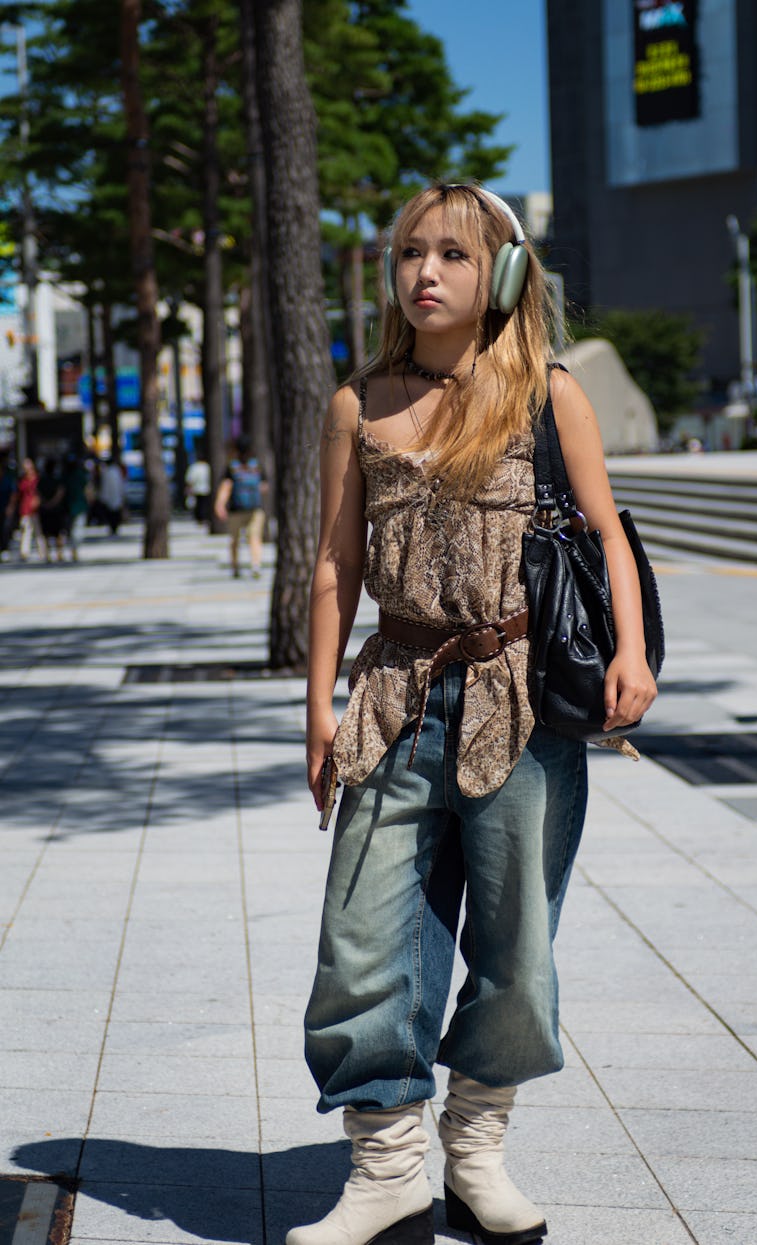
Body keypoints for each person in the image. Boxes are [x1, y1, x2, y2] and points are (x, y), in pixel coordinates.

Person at [294, 183, 657, 1245]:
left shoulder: (546, 394)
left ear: (500, 271)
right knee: (365, 938)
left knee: (516, 945)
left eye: (453, 254)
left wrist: (630, 652)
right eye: (411, 252)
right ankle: (386, 1169)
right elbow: (335, 563)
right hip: (393, 698)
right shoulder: (358, 403)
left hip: (522, 698)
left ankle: (477, 1151)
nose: (426, 273)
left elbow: (605, 533)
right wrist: (319, 707)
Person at [213, 434, 267, 578]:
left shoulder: (232, 467)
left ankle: (235, 567)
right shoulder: (257, 466)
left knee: (234, 539)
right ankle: (256, 566)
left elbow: (226, 486)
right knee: (254, 537)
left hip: (235, 510)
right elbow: (264, 487)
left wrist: (220, 505)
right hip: (255, 510)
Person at [37, 458, 68, 562]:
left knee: (46, 534)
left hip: (45, 509)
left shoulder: (42, 480)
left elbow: (38, 494)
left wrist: (46, 503)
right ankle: (59, 554)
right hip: (56, 509)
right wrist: (53, 503)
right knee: (58, 533)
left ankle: (48, 554)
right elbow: (60, 492)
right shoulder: (57, 479)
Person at [17, 457, 47, 562]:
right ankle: (24, 553)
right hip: (25, 508)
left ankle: (42, 552)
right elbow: (18, 494)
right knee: (25, 531)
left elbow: (41, 492)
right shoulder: (22, 479)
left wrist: (39, 501)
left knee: (39, 531)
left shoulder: (37, 478)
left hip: (36, 509)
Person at [62, 452, 90, 562]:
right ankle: (74, 549)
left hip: (70, 505)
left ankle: (73, 549)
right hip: (77, 505)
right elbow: (88, 489)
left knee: (71, 529)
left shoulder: (66, 475)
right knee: (77, 529)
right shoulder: (80, 474)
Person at [185, 445, 212, 527]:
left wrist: (189, 488)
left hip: (197, 489)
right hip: (207, 489)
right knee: (205, 504)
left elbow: (190, 479)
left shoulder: (194, 467)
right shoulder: (207, 467)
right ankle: (204, 518)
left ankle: (199, 519)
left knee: (198, 505)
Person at [98, 458, 125, 534]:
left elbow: (104, 486)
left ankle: (112, 528)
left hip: (109, 496)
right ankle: (115, 528)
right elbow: (121, 484)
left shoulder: (106, 472)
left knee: (110, 513)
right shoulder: (117, 471)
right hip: (116, 496)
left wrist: (103, 496)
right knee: (115, 513)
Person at [0, 448, 17, 561]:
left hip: (5, 507)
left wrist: (10, 507)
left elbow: (13, 493)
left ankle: (4, 549)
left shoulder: (8, 476)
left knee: (5, 529)